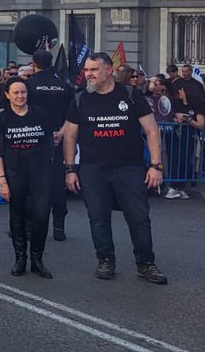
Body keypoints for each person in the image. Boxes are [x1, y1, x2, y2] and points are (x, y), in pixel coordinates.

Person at [62, 53, 168, 285]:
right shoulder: (80, 99)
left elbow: (151, 130)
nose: (88, 74)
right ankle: (105, 260)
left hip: (129, 168)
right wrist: (70, 169)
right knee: (98, 217)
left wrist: (155, 166)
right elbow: (70, 135)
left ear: (109, 70)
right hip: (92, 169)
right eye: (87, 70)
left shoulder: (130, 95)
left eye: (93, 70)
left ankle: (145, 263)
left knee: (139, 217)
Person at [0, 78, 54, 278]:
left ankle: (37, 259)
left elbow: (48, 143)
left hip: (40, 172)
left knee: (41, 216)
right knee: (17, 216)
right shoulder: (1, 119)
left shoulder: (40, 114)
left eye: (23, 92)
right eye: (16, 93)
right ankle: (20, 258)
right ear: (7, 95)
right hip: (14, 173)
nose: (20, 96)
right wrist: (2, 181)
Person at [25, 49, 74, 241]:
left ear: (33, 63)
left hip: (34, 140)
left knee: (32, 183)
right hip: (58, 139)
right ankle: (59, 228)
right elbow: (72, 114)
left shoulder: (28, 86)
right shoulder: (64, 86)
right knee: (56, 183)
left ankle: (29, 227)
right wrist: (61, 132)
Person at [164, 83, 205, 200]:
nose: (179, 92)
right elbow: (169, 116)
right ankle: (173, 186)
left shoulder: (197, 105)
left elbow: (201, 124)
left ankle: (181, 186)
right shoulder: (176, 103)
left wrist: (187, 119)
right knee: (174, 159)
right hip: (174, 135)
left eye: (181, 90)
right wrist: (175, 118)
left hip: (189, 136)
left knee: (185, 160)